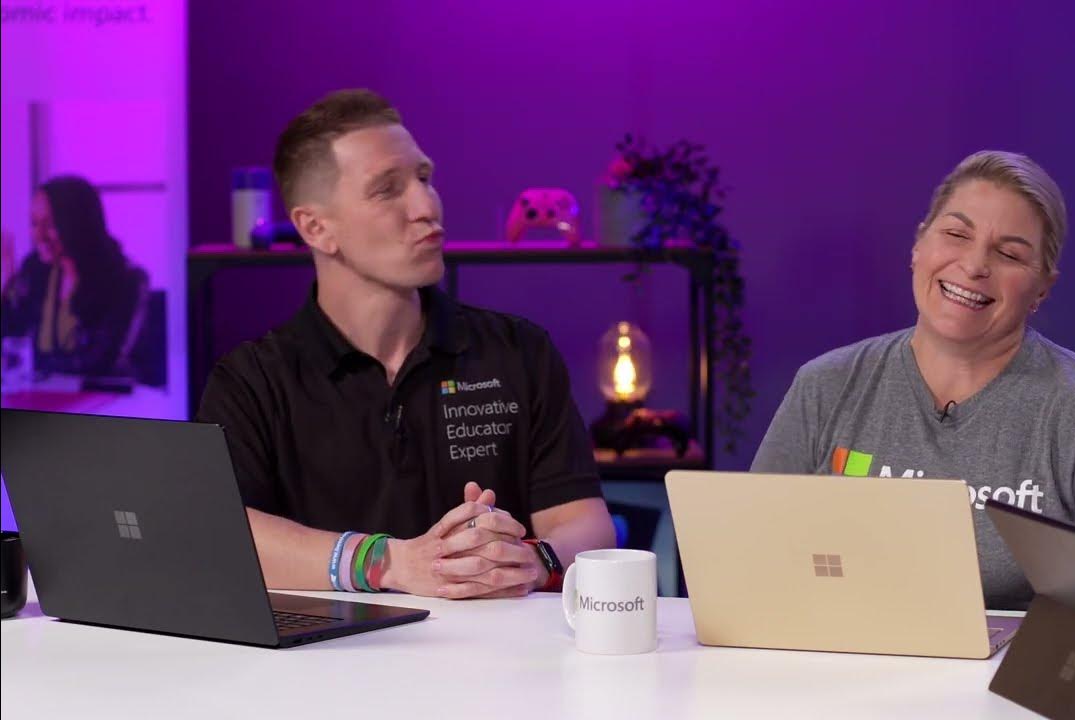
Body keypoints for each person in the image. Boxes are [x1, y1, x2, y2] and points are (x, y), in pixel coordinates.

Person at [196, 89, 615, 599]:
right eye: (386, 189)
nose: (425, 206)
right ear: (315, 227)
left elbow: (587, 526)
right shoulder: (253, 380)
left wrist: (528, 560)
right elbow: (222, 536)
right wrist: (389, 563)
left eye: (423, 178)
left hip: (499, 664)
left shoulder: (518, 351)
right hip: (324, 669)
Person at [751, 150, 1075, 615]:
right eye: (956, 234)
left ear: (1042, 287)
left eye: (1009, 253)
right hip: (833, 669)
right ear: (918, 247)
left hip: (1017, 682)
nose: (974, 264)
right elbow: (753, 554)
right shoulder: (826, 386)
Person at [0, 176, 147, 378]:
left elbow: (99, 362)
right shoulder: (36, 268)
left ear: (80, 223)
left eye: (50, 224)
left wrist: (32, 364)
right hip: (44, 398)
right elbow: (11, 337)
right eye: (34, 223)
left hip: (102, 401)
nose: (38, 236)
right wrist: (6, 282)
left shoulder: (127, 280)